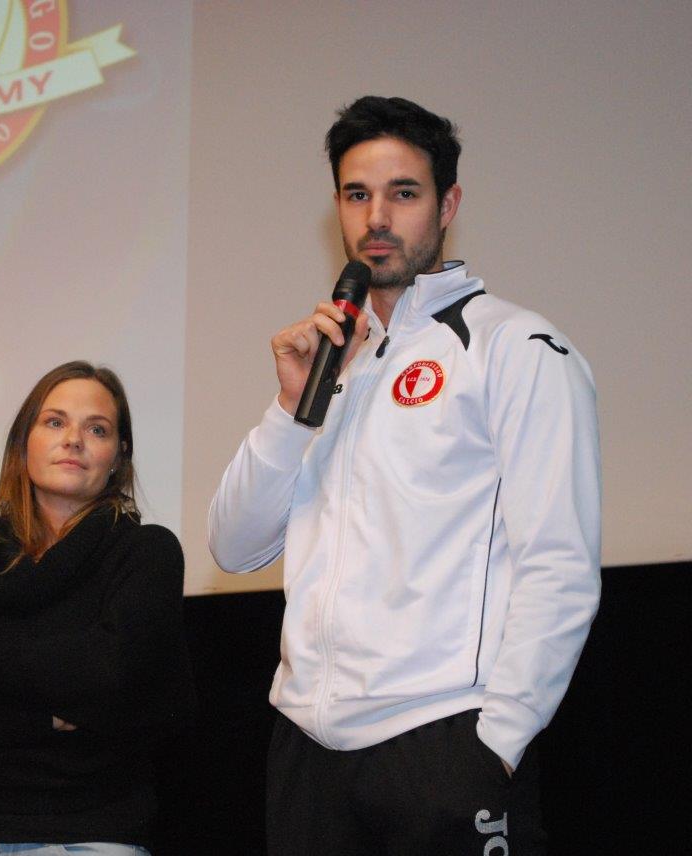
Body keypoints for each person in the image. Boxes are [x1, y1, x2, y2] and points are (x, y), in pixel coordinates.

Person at [208, 96, 601, 855]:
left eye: (404, 193)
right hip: (307, 754)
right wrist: (290, 411)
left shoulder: (514, 347)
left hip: (444, 741)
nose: (378, 217)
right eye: (357, 194)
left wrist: (500, 741)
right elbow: (234, 544)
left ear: (447, 205)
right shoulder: (333, 364)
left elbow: (560, 563)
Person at [0, 361, 195, 856]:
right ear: (24, 444)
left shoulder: (146, 553)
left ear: (118, 456)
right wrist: (51, 717)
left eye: (96, 429)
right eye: (55, 422)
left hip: (95, 836)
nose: (73, 440)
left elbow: (115, 674)